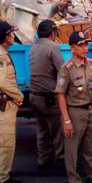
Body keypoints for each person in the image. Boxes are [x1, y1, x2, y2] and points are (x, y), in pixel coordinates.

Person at [55, 31, 92, 183]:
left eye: (86, 45)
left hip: (89, 111)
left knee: (91, 147)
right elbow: (61, 94)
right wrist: (66, 120)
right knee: (72, 149)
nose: (84, 48)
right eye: (80, 45)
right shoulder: (66, 69)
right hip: (75, 112)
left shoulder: (89, 65)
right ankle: (74, 181)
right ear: (71, 48)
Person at [0, 21, 24, 183]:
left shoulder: (3, 53)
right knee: (3, 146)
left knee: (8, 145)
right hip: (4, 106)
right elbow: (3, 83)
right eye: (11, 33)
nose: (13, 36)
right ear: (5, 36)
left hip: (8, 106)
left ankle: (5, 177)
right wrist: (19, 95)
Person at [29, 20, 65, 170]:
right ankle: (61, 160)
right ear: (53, 33)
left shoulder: (33, 48)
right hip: (49, 98)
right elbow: (62, 72)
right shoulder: (53, 47)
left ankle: (42, 160)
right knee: (57, 131)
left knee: (42, 130)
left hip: (34, 96)